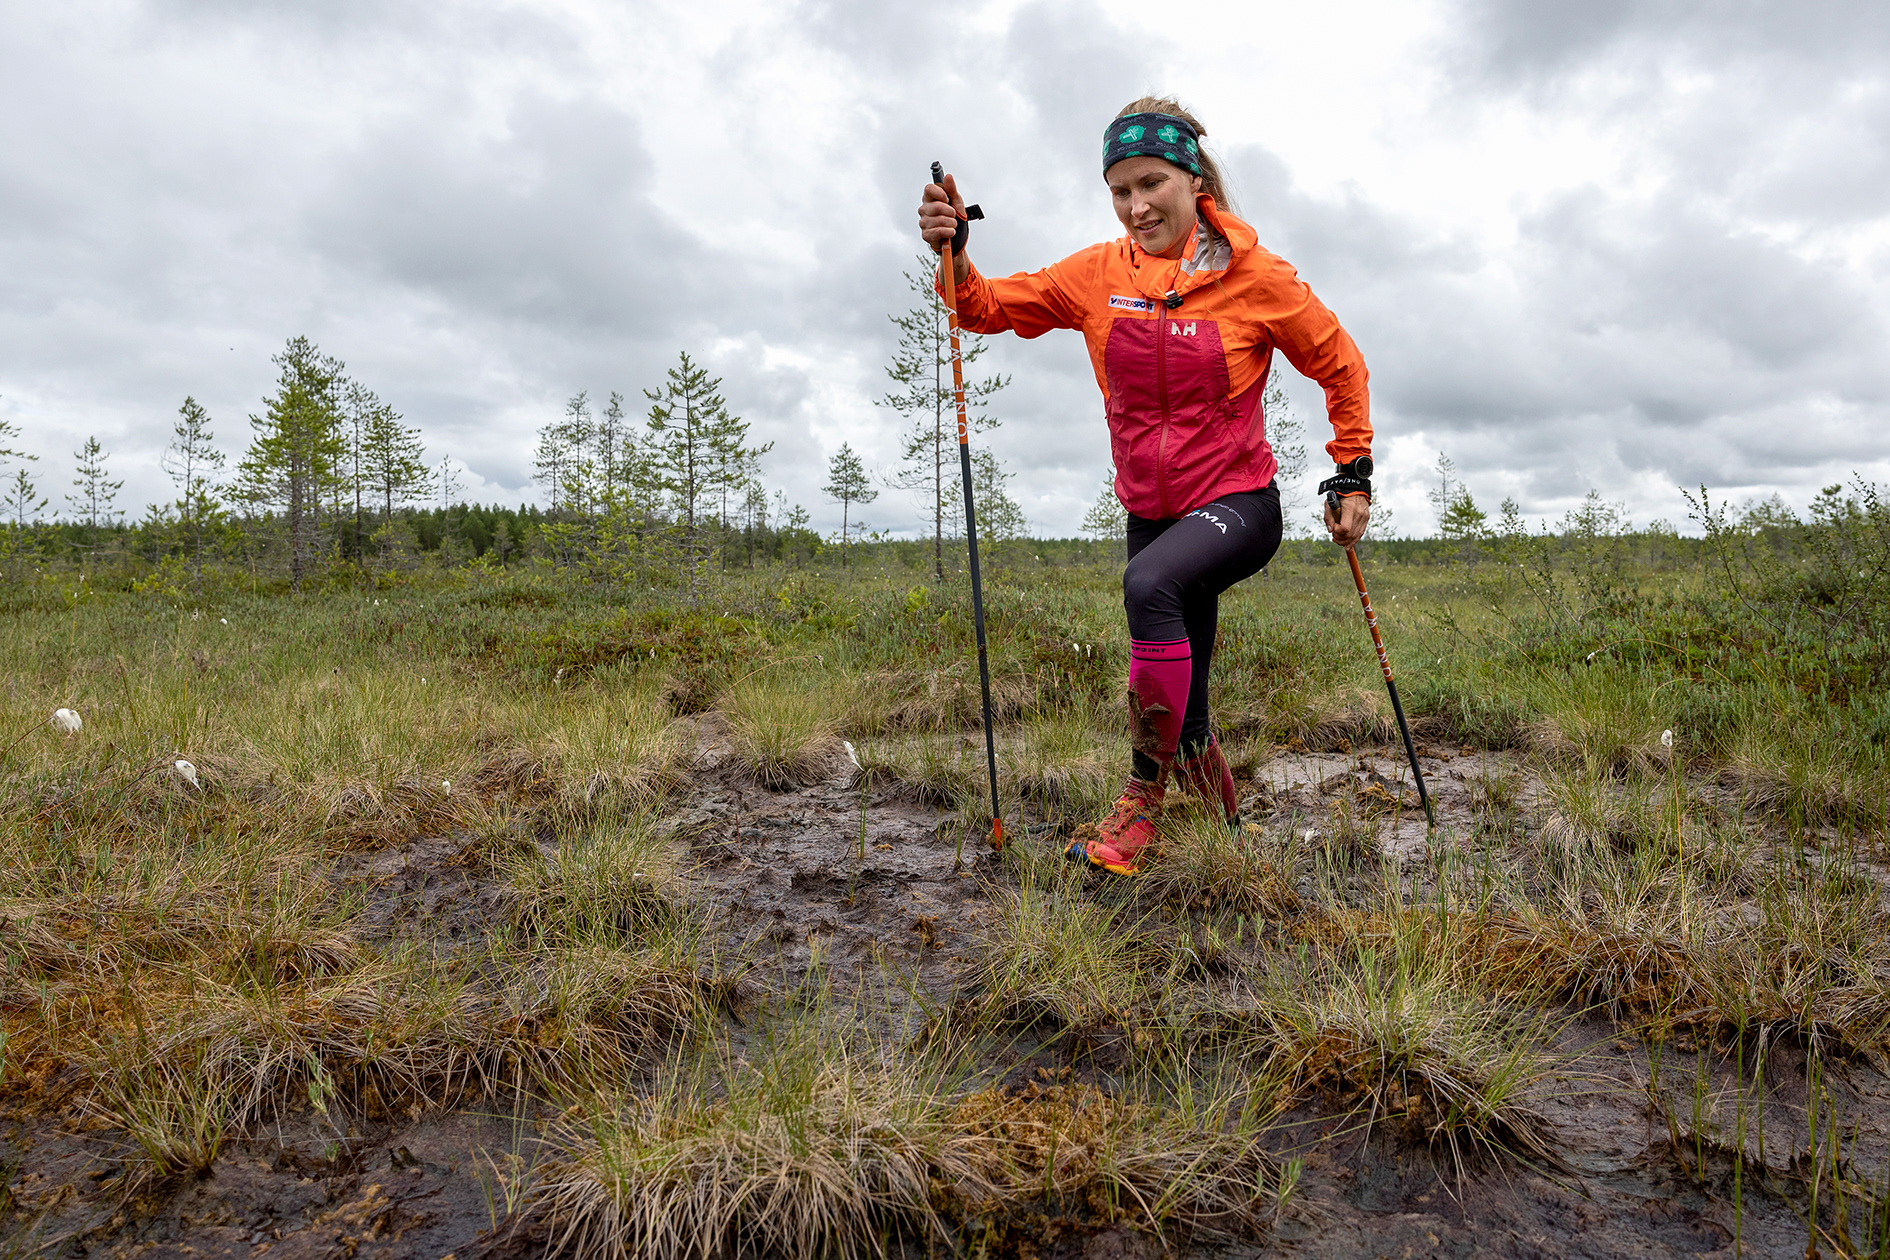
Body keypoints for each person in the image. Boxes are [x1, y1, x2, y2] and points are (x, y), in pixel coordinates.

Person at [916, 96, 1375, 876]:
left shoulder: (1256, 277)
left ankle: (1139, 806)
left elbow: (1339, 362)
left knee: (1149, 584)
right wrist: (952, 249)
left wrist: (1352, 468)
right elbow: (981, 308)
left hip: (1238, 504)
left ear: (1194, 181)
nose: (1136, 205)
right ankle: (1229, 842)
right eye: (1119, 189)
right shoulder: (1096, 275)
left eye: (1151, 183)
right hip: (1151, 510)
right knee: (1186, 704)